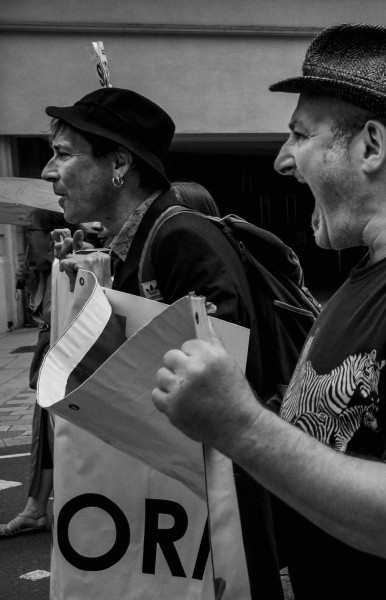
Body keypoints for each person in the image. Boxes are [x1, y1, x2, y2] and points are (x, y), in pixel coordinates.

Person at [151, 24, 386, 598]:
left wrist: (240, 424)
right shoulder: (385, 263)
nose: (284, 161)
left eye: (301, 135)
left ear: (370, 146)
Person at [42, 87, 282, 598]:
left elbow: (223, 377)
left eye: (63, 154)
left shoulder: (179, 238)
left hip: (216, 510)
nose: (48, 171)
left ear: (119, 165)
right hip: (178, 502)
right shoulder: (139, 243)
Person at [0, 210, 81, 538]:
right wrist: (30, 277)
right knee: (43, 435)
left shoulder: (69, 264)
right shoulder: (43, 269)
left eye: (30, 229)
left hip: (66, 363)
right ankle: (36, 509)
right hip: (50, 361)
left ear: (47, 233)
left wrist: (60, 268)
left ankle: (53, 507)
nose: (26, 236)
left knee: (59, 436)